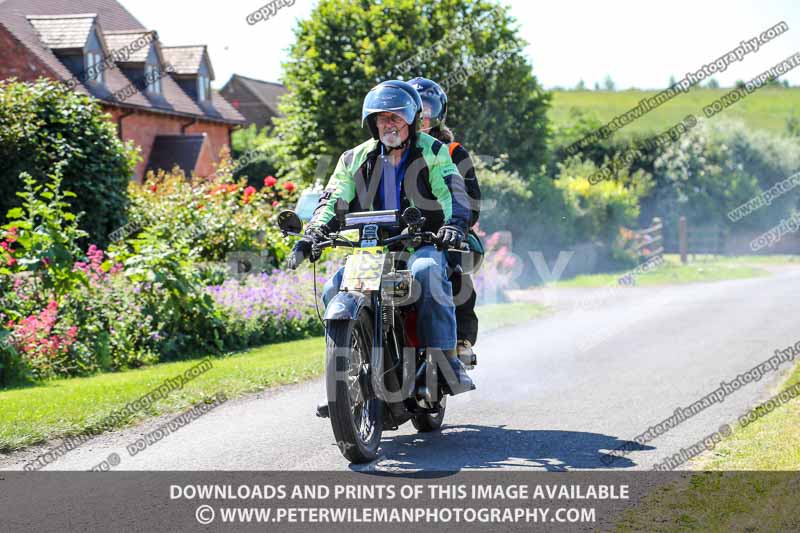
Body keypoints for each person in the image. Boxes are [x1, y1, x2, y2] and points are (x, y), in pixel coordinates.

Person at [288, 79, 475, 394]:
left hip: (423, 243)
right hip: (373, 250)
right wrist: (313, 233)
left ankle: (444, 362)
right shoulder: (354, 157)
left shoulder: (433, 150)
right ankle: (341, 386)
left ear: (411, 120)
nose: (389, 124)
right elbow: (333, 197)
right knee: (334, 286)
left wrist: (454, 223)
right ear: (372, 123)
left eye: (396, 117)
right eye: (382, 118)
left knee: (427, 272)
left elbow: (451, 189)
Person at [410, 77, 481, 366]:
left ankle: (461, 340)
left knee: (454, 266)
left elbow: (472, 202)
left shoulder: (452, 151)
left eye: (428, 108)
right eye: (417, 108)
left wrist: (454, 225)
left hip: (445, 232)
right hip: (400, 233)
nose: (423, 115)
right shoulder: (394, 150)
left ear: (438, 112)